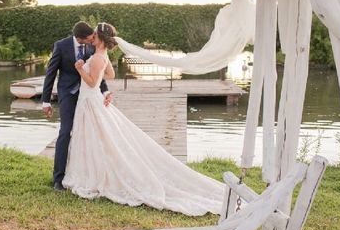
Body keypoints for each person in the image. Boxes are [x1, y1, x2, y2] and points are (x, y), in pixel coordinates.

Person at [63, 23, 225, 216]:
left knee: (95, 138)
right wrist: (97, 80)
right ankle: (92, 171)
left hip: (90, 100)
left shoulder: (98, 57)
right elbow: (111, 74)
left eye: (94, 35)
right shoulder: (101, 57)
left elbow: (91, 82)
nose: (92, 38)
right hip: (91, 100)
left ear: (99, 37)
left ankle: (94, 176)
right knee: (97, 138)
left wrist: (80, 69)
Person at [42, 21, 112, 191]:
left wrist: (105, 91)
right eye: (87, 39)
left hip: (88, 97)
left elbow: (97, 74)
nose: (90, 41)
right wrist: (45, 101)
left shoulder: (92, 47)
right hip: (68, 95)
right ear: (78, 38)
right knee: (65, 131)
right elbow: (51, 73)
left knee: (90, 134)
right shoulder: (61, 46)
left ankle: (88, 173)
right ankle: (58, 178)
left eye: (92, 38)